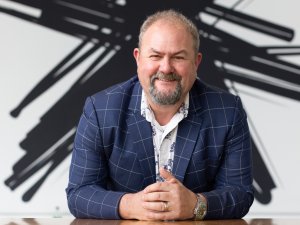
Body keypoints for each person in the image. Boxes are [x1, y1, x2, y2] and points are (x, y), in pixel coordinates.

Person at [66, 9, 254, 220]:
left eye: (178, 57)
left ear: (196, 62)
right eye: (155, 56)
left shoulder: (228, 111)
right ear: (138, 58)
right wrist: (130, 205)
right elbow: (79, 193)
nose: (165, 68)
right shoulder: (99, 110)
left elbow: (240, 193)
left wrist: (196, 204)